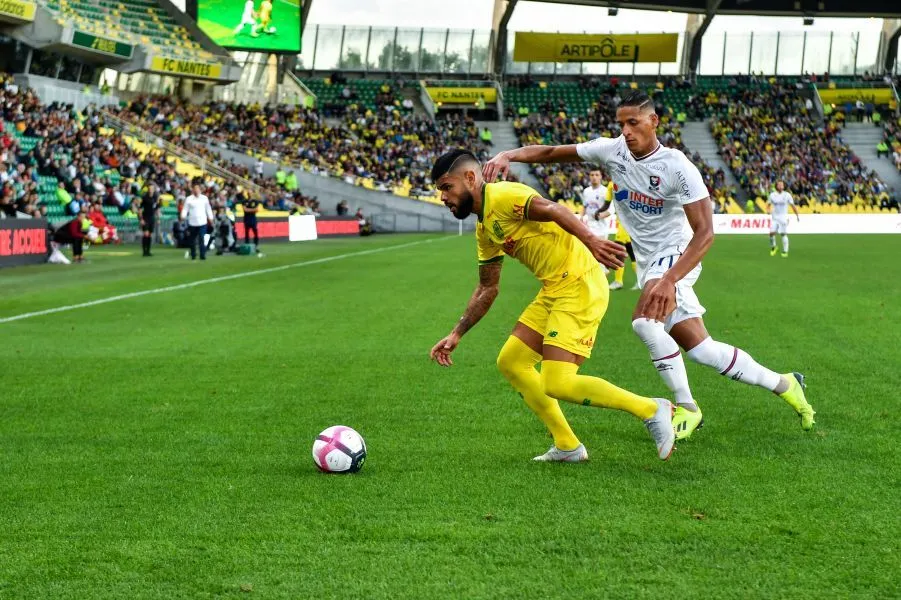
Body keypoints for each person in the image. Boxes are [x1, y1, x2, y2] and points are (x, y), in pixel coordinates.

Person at [483, 91, 815, 442]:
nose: (625, 131)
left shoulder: (677, 167)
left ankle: (686, 407)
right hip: (649, 262)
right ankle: (785, 384)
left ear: (654, 122)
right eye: (621, 124)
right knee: (703, 351)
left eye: (633, 123)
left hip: (677, 254)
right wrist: (509, 154)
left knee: (644, 321)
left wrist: (670, 279)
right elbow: (553, 153)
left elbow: (705, 234)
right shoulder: (611, 151)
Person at [428, 149, 676, 463]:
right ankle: (568, 445)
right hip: (554, 288)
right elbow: (488, 287)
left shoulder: (503, 196)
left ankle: (652, 409)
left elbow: (552, 208)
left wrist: (592, 240)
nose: (442, 197)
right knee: (512, 362)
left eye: (446, 188)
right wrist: (457, 333)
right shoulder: (484, 227)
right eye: (439, 191)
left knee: (558, 382)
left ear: (470, 178)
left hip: (579, 283)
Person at [767, 180, 799, 258]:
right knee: (771, 233)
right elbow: (768, 204)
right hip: (775, 217)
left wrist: (797, 215)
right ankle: (774, 247)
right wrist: (768, 210)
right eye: (779, 185)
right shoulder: (772, 195)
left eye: (782, 185)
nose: (781, 186)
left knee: (783, 234)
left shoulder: (787, 195)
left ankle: (785, 251)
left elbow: (792, 205)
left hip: (783, 217)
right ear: (776, 186)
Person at [180, 183, 213, 260]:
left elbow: (208, 209)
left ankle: (202, 254)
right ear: (193, 190)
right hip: (192, 222)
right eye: (195, 189)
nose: (196, 190)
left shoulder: (204, 198)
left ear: (200, 190)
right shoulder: (189, 199)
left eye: (197, 189)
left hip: (202, 222)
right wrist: (183, 216)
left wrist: (210, 218)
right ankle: (193, 254)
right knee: (192, 240)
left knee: (202, 238)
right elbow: (185, 209)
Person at [139, 183, 160, 257]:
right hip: (145, 217)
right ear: (148, 189)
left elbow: (157, 209)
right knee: (146, 234)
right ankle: (144, 251)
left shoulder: (155, 198)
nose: (151, 190)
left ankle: (148, 251)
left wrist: (158, 218)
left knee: (150, 235)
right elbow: (140, 209)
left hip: (152, 218)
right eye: (150, 189)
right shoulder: (144, 198)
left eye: (152, 189)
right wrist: (141, 219)